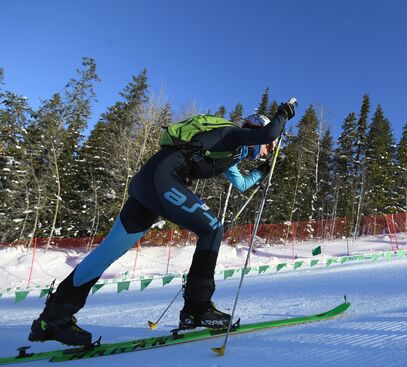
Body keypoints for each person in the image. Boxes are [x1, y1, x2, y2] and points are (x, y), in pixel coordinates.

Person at [28, 100, 297, 346]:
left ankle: (51, 320)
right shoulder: (231, 134)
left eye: (270, 151)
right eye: (268, 149)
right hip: (163, 178)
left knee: (108, 252)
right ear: (253, 129)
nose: (267, 151)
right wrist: (283, 114)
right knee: (212, 228)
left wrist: (263, 171)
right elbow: (269, 133)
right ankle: (197, 309)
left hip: (149, 184)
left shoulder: (230, 156)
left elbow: (242, 185)